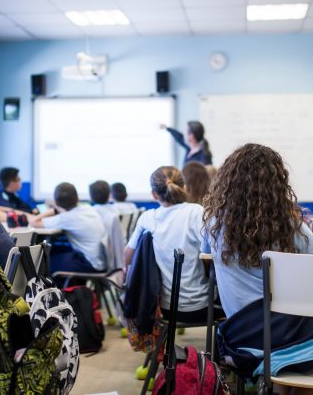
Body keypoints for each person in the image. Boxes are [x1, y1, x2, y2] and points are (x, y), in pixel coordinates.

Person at [202, 143, 313, 393]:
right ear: (278, 183)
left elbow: (205, 259)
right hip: (292, 338)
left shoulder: (215, 227)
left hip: (240, 339)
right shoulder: (297, 233)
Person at [125, 166, 214, 324]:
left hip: (164, 309)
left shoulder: (148, 218)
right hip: (202, 307)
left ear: (154, 194)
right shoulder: (196, 212)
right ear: (184, 187)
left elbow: (127, 257)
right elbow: (213, 252)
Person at [31, 182, 107, 274]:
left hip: (89, 264)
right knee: (55, 250)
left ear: (57, 202)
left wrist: (53, 209)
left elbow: (34, 222)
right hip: (101, 261)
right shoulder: (88, 208)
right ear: (77, 197)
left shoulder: (66, 218)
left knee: (43, 262)